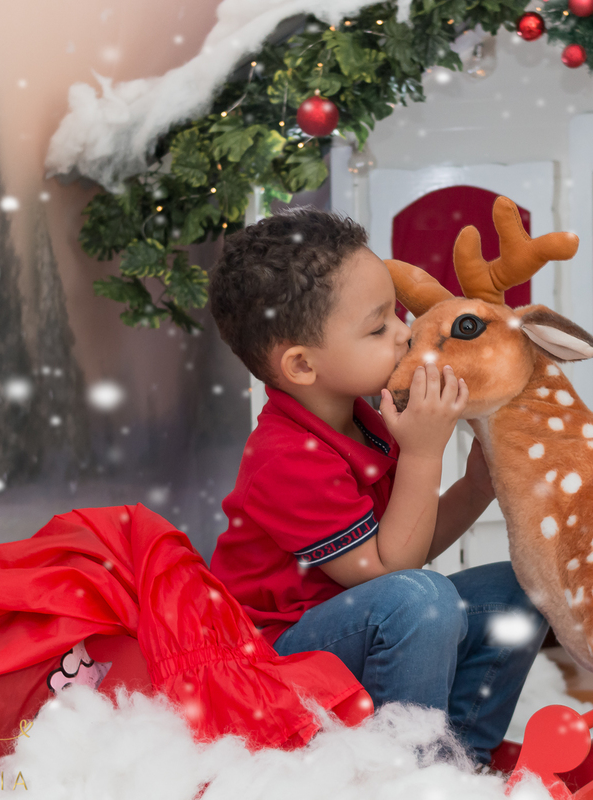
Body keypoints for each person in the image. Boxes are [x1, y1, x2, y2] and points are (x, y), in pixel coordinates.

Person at [206, 206, 548, 764]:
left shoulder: (363, 418)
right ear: (300, 365)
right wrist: (422, 452)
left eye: (398, 314)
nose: (405, 333)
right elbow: (394, 574)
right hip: (274, 663)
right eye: (378, 326)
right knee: (420, 599)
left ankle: (460, 760)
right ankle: (406, 773)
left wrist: (475, 487)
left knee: (523, 584)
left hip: (367, 616)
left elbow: (400, 545)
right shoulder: (285, 459)